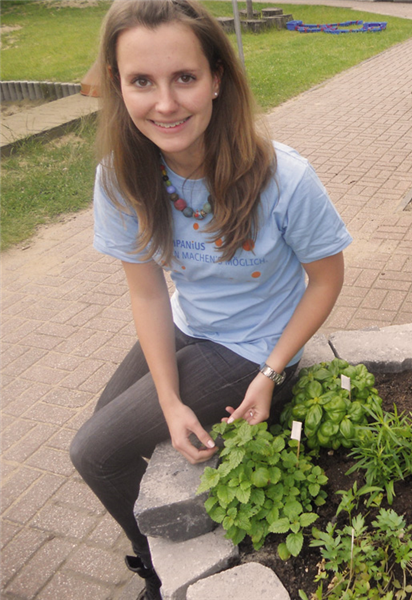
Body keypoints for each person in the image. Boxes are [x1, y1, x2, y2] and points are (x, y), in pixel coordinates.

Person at [69, 1, 352, 598]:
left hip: (251, 346)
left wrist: (274, 370)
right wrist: (170, 402)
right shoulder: (120, 176)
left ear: (217, 79)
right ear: (118, 87)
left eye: (185, 78)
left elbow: (326, 280)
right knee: (109, 433)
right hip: (185, 322)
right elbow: (147, 292)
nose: (165, 104)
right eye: (141, 81)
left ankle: (167, 571)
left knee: (94, 453)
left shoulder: (285, 178)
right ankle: (171, 536)